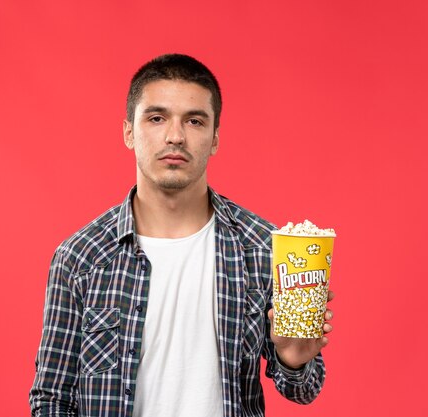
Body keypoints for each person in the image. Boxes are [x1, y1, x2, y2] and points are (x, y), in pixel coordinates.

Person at [29, 53, 334, 417]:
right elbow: (51, 398)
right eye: (157, 118)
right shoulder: (81, 258)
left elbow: (303, 390)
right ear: (129, 131)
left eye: (194, 120)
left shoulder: (263, 247)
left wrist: (294, 360)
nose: (175, 136)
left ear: (215, 138)